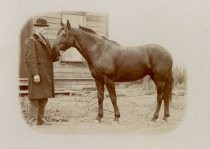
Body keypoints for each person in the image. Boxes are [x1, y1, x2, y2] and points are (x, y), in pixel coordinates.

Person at [24, 18, 60, 126]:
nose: (45, 30)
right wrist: (35, 74)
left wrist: (58, 54)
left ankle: (40, 119)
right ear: (37, 28)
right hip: (37, 74)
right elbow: (30, 59)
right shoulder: (31, 41)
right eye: (43, 28)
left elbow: (48, 58)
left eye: (46, 28)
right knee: (35, 98)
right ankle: (33, 121)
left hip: (45, 74)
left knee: (44, 98)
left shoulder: (46, 41)